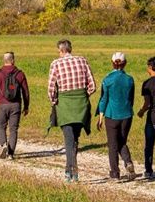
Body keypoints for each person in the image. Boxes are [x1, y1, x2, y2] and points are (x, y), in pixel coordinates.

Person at [47, 39, 96, 183]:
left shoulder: (55, 63)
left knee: (68, 140)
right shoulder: (83, 60)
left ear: (61, 50)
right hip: (81, 106)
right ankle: (70, 170)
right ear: (70, 48)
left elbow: (51, 89)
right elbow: (92, 86)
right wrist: (82, 96)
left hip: (65, 105)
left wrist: (55, 101)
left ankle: (71, 171)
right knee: (75, 139)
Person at [97, 52, 136, 181]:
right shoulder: (130, 79)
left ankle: (115, 173)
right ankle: (128, 162)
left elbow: (104, 99)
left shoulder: (107, 79)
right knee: (122, 141)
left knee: (113, 145)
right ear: (125, 63)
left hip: (111, 115)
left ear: (112, 63)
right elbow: (131, 99)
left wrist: (100, 117)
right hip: (127, 115)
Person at [0, 52, 30, 160]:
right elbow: (26, 92)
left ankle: (3, 145)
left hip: (3, 104)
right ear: (13, 60)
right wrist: (26, 106)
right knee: (13, 129)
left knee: (1, 126)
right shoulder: (20, 74)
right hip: (16, 105)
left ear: (4, 60)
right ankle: (11, 154)